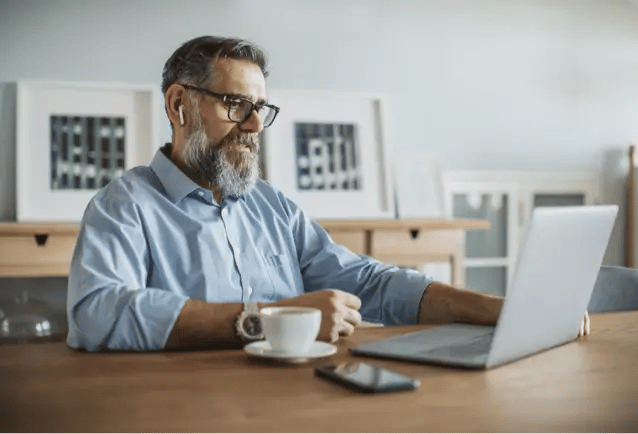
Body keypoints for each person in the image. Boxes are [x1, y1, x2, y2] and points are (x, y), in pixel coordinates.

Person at [66, 36, 543, 351]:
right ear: (178, 104)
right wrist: (269, 318)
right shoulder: (124, 207)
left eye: (260, 108)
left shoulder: (272, 207)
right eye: (236, 105)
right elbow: (97, 313)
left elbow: (370, 282)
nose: (254, 125)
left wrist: (493, 308)